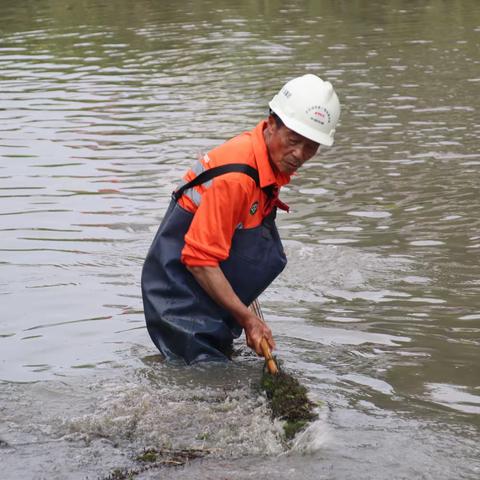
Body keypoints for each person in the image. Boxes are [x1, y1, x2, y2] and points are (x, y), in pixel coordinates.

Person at [141, 73, 341, 365]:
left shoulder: (267, 164)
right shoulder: (236, 177)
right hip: (180, 301)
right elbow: (199, 260)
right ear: (272, 124)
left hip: (207, 298)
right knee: (207, 389)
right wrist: (248, 320)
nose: (299, 154)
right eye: (293, 140)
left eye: (311, 146)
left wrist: (247, 316)